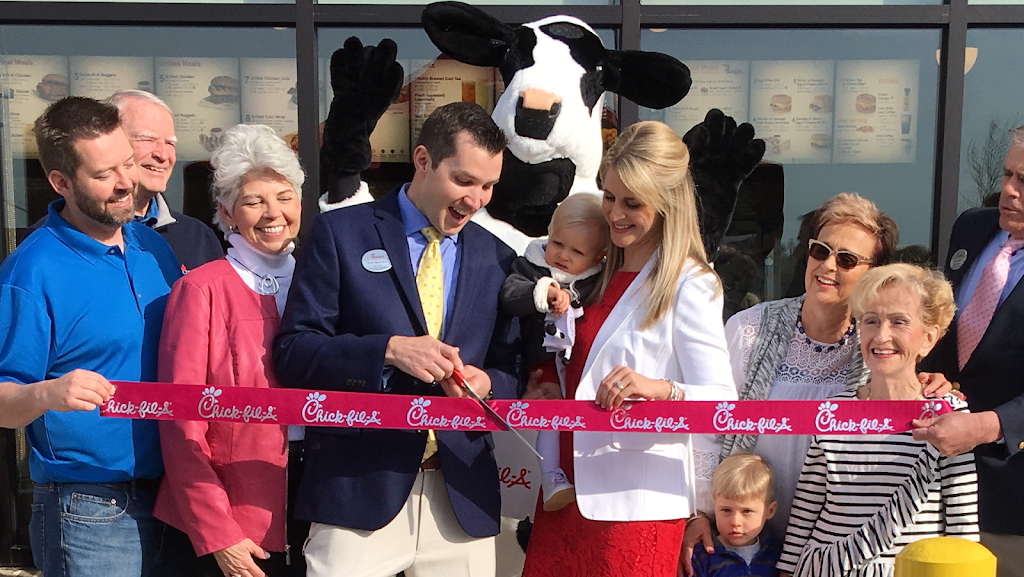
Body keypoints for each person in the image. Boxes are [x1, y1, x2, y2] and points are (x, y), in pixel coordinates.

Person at [273, 102, 519, 577]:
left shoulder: (499, 257)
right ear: (423, 160)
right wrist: (387, 351)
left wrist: (486, 385)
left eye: (488, 186)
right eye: (464, 181)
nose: (476, 200)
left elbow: (511, 370)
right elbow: (293, 352)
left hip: (461, 496)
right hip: (356, 489)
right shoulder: (340, 233)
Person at [520, 120, 736, 577]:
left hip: (635, 512)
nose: (615, 214)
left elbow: (722, 403)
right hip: (562, 496)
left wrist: (659, 389)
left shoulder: (691, 284)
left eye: (632, 203)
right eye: (609, 196)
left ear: (667, 203)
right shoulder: (588, 270)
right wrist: (543, 384)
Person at [0, 97, 182, 576]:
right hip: (89, 510)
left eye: (128, 163)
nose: (125, 182)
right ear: (61, 182)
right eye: (104, 174)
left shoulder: (153, 246)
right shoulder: (31, 271)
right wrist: (48, 393)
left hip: (174, 497)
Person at [153, 124, 304, 577]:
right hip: (236, 511)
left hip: (318, 502)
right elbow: (180, 418)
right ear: (226, 212)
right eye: (254, 201)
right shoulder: (201, 289)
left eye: (284, 196)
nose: (273, 212)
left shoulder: (323, 282)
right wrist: (217, 531)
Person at [780, 263, 979, 577]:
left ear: (928, 338)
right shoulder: (833, 411)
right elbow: (806, 507)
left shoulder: (949, 414)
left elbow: (963, 523)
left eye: (899, 321)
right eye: (871, 321)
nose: (881, 335)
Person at [915, 124, 1024, 576]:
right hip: (930, 488)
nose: (1009, 190)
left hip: (1011, 501)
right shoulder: (972, 227)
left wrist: (987, 425)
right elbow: (943, 329)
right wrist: (929, 374)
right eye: (1007, 174)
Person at [26, 90, 224, 272]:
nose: (163, 155)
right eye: (147, 139)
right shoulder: (43, 252)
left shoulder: (197, 236)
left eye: (170, 143)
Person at [499, 192, 609, 511]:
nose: (562, 255)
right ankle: (551, 477)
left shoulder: (596, 281)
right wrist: (542, 291)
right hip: (542, 363)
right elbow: (509, 295)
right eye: (557, 243)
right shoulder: (530, 266)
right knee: (551, 411)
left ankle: (587, 474)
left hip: (581, 367)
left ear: (598, 258)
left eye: (577, 251)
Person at [691, 453, 780, 577]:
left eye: (747, 511)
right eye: (726, 510)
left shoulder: (777, 554)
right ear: (714, 506)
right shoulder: (701, 556)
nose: (735, 522)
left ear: (769, 511)